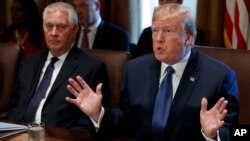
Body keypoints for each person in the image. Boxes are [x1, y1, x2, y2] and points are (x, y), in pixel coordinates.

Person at [66, 4, 240, 141]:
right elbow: (126, 120)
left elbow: (232, 132)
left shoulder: (219, 77)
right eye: (155, 30)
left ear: (188, 38)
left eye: (168, 31)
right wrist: (99, 114)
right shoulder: (135, 69)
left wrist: (212, 135)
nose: (158, 38)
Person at [7, 2, 109, 132]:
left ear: (74, 29)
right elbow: (15, 106)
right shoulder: (29, 62)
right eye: (49, 26)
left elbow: (89, 119)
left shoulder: (91, 68)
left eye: (61, 27)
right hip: (20, 134)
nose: (53, 33)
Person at [132, 0, 204, 58]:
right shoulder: (147, 33)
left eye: (168, 31)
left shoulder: (194, 33)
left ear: (180, 1)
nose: (165, 3)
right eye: (162, 0)